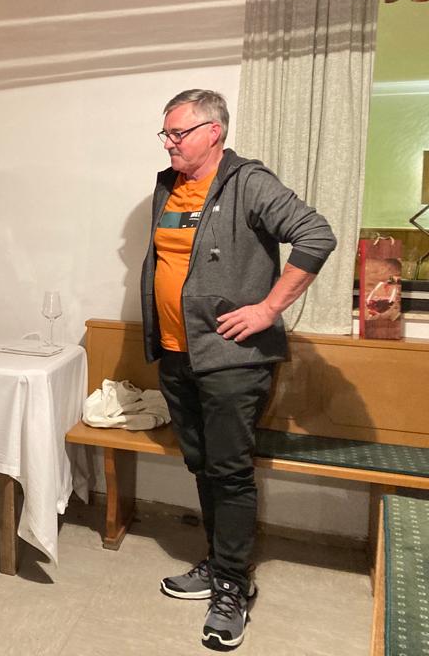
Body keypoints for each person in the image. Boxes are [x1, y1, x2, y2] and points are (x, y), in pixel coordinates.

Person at [141, 89, 337, 650]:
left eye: (178, 133)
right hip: (177, 354)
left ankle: (233, 584)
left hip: (231, 360)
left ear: (214, 132)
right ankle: (218, 561)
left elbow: (316, 234)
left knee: (228, 471)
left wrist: (268, 309)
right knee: (203, 465)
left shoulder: (248, 182)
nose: (169, 143)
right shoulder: (168, 186)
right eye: (166, 133)